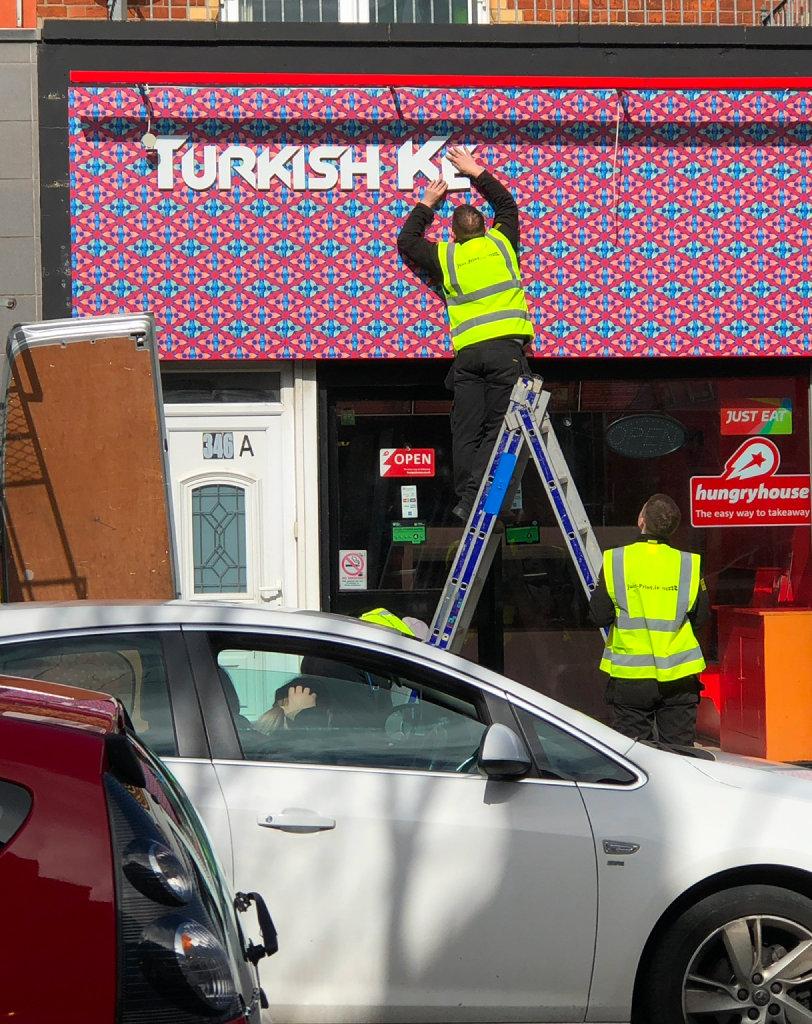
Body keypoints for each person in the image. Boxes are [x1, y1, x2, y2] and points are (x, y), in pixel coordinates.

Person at [397, 145, 535, 521]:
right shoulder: (502, 242)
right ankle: (492, 500)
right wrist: (475, 171)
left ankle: (467, 499)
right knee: (505, 430)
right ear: (484, 227)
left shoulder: (447, 256)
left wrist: (427, 203)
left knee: (466, 430)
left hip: (469, 357)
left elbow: (407, 241)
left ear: (454, 235)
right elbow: (507, 205)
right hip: (507, 352)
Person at [589, 494, 711, 747]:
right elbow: (701, 618)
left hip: (631, 677)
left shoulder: (616, 560)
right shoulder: (688, 564)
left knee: (635, 756)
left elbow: (598, 615)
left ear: (641, 519)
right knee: (680, 755)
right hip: (680, 675)